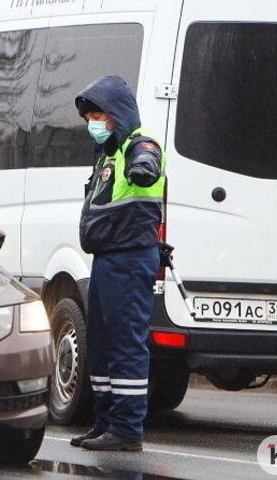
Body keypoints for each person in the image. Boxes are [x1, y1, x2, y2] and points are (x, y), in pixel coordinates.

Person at [69, 75, 166, 452]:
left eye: (99, 114)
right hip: (108, 259)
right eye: (89, 116)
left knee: (126, 344)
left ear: (117, 115)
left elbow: (148, 161)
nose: (93, 122)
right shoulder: (108, 154)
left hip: (129, 258)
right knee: (102, 344)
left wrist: (142, 165)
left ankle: (127, 430)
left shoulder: (139, 143)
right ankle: (105, 422)